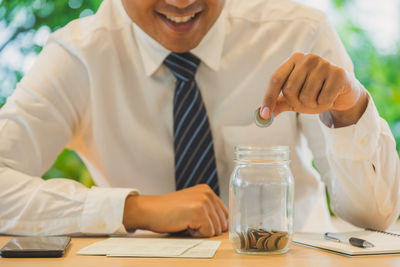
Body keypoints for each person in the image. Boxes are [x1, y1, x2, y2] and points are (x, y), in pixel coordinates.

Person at [0, 0, 399, 237]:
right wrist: (133, 209)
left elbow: (376, 217)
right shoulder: (80, 56)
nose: (180, 1)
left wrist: (349, 108)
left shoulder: (297, 32)